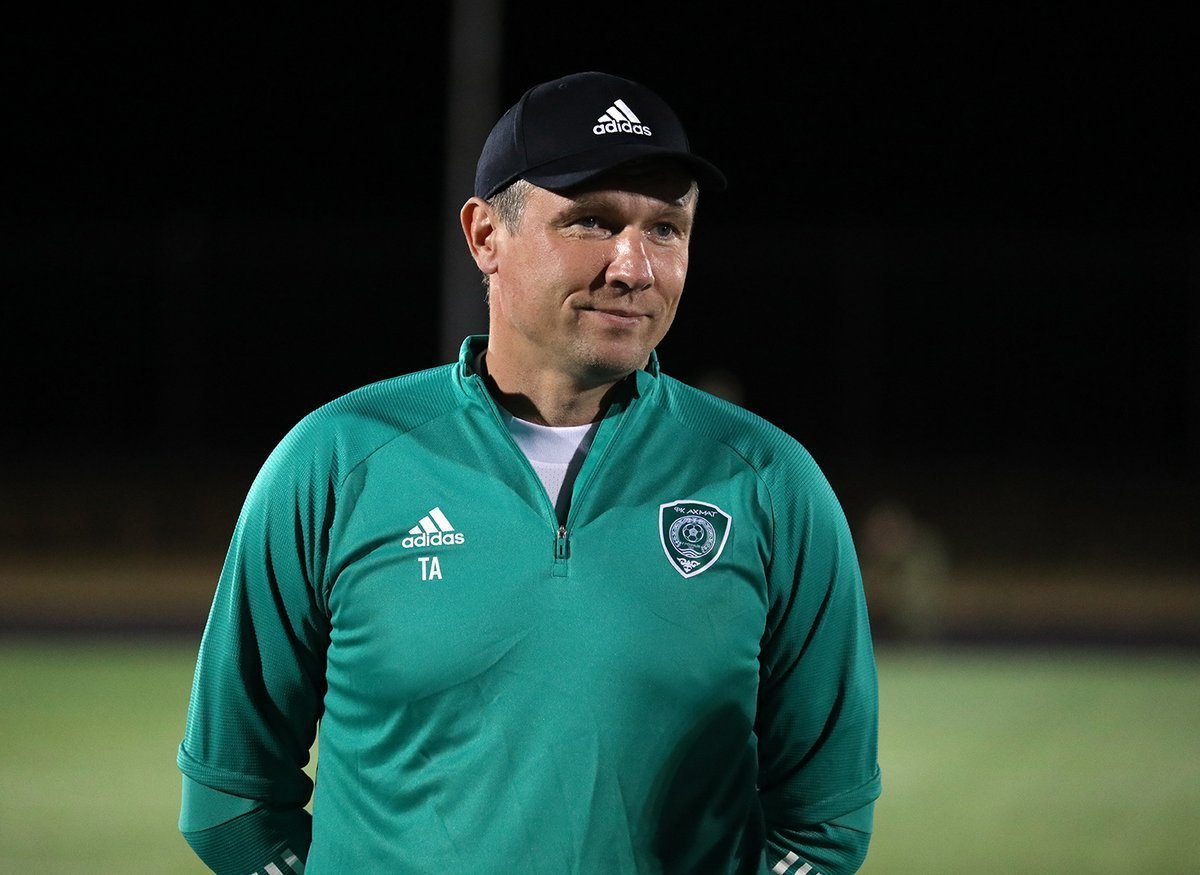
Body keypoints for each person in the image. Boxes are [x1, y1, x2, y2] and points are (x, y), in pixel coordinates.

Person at [177, 70, 882, 874]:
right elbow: (230, 802)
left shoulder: (770, 482)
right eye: (592, 220)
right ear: (485, 235)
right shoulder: (336, 462)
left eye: (666, 228)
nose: (634, 266)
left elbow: (824, 823)